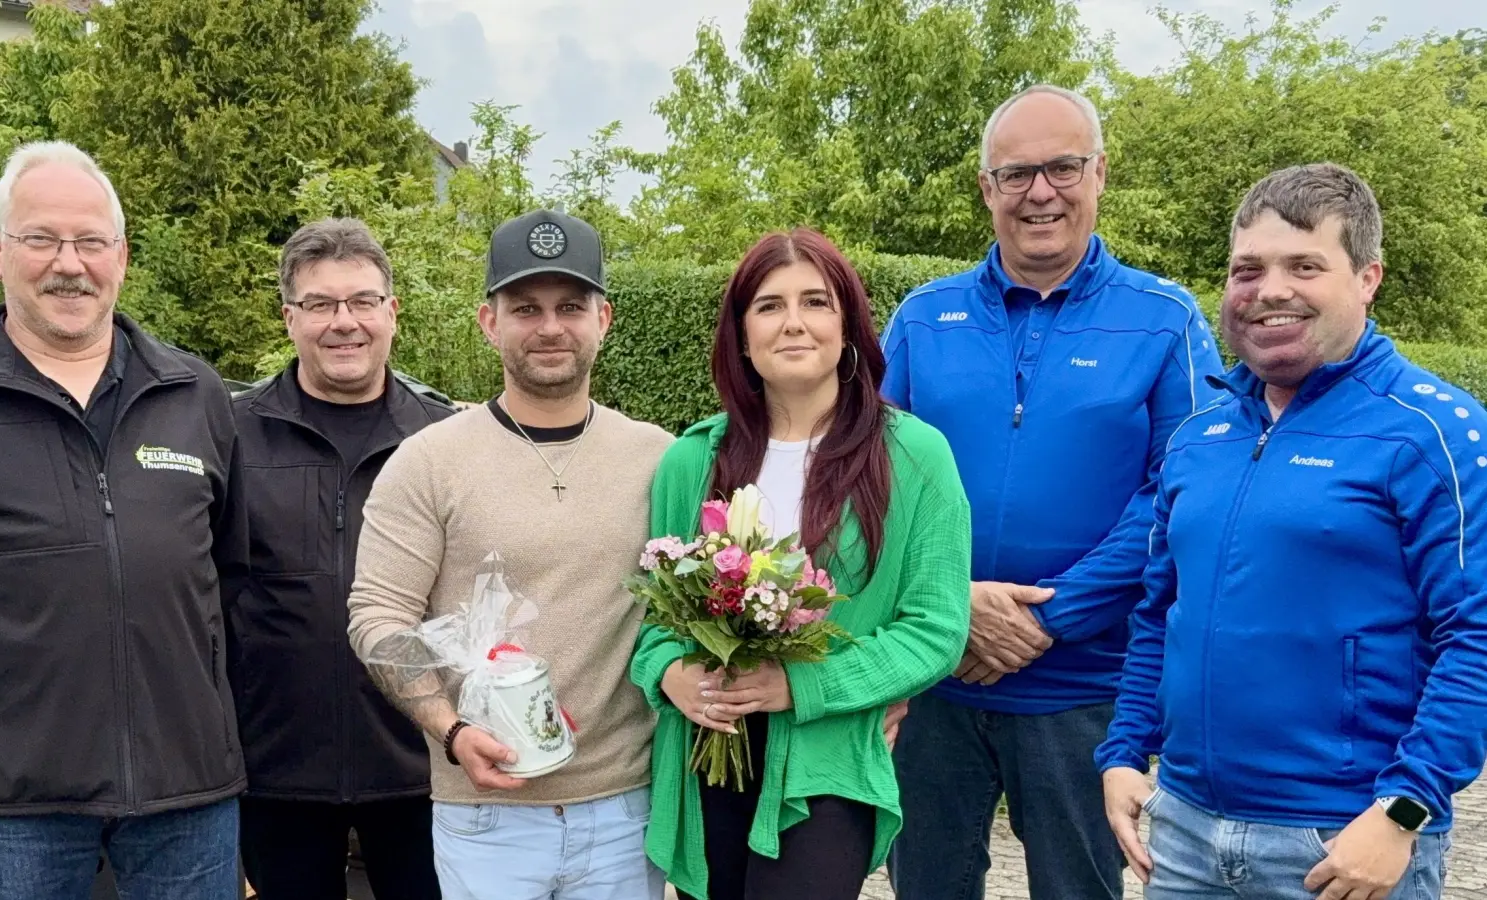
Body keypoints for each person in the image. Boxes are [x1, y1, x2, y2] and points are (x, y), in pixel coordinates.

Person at [1097, 162, 1487, 900]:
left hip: (1343, 843)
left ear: (1366, 278)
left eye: (1303, 265)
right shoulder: (1198, 436)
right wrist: (1123, 752)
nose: (1269, 289)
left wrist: (1403, 811)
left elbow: (1476, 632)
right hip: (1183, 834)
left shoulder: (1434, 429)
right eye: (1248, 269)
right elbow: (1157, 612)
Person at [880, 83, 1226, 900]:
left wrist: (1050, 614)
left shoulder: (1165, 319)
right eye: (1016, 173)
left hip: (1085, 691)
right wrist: (950, 607)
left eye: (1062, 168)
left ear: (1099, 173)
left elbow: (1184, 491)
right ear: (986, 189)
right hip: (933, 678)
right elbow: (870, 480)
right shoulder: (923, 319)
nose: (1041, 192)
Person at [0, 140, 248, 898]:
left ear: (120, 255)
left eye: (90, 241)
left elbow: (229, 571)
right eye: (41, 239)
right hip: (10, 797)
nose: (69, 263)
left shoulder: (194, 395)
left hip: (187, 784)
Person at [631, 228, 973, 900]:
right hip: (708, 751)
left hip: (825, 755)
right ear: (740, 334)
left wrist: (803, 686)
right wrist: (668, 672)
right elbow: (651, 616)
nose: (792, 322)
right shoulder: (691, 460)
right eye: (768, 305)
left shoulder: (913, 457)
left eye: (815, 302)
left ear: (846, 324)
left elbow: (935, 628)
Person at [345, 209, 674, 899]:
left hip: (624, 806)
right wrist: (451, 728)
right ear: (488, 323)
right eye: (525, 308)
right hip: (484, 813)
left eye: (570, 306)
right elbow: (377, 617)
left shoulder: (660, 459)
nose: (549, 326)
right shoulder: (428, 461)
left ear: (604, 319)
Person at [227, 219, 453, 899]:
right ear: (289, 318)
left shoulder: (443, 438)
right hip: (276, 768)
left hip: (423, 763)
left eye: (361, 301)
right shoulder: (232, 434)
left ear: (392, 312)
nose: (343, 323)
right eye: (320, 305)